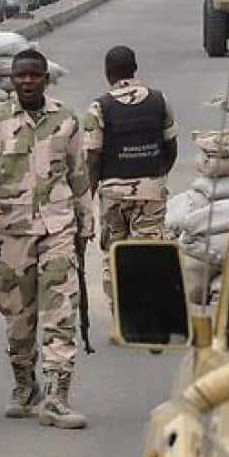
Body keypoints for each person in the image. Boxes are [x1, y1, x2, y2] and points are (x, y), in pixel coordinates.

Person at [0, 48, 93, 430]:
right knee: (18, 316)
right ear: (12, 79)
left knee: (60, 311)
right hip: (13, 230)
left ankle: (58, 395)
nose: (26, 81)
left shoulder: (66, 120)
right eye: (20, 75)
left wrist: (86, 224)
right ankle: (25, 385)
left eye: (34, 75)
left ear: (44, 78)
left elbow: (79, 176)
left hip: (58, 229)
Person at [82, 46, 177, 320]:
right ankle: (146, 315)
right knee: (147, 251)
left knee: (115, 251)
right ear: (135, 68)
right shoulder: (160, 100)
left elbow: (93, 159)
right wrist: (156, 176)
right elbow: (170, 146)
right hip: (152, 190)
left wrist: (87, 199)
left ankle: (121, 317)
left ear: (107, 72)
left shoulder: (100, 107)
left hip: (113, 194)